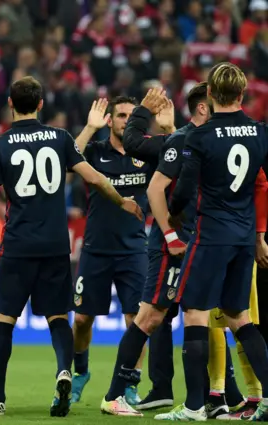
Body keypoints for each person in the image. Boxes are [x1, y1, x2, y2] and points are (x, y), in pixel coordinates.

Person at [0, 75, 143, 417]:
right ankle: (65, 371)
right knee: (57, 317)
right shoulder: (59, 138)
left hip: (18, 244)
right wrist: (122, 200)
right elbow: (94, 177)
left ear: (10, 103)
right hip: (55, 245)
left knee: (4, 320)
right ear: (40, 104)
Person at [160, 62, 268, 421]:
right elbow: (261, 184)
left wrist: (173, 216)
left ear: (209, 94)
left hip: (210, 236)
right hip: (243, 238)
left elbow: (185, 191)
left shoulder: (200, 136)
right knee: (239, 316)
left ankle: (193, 406)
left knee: (194, 312)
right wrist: (259, 234)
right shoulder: (259, 133)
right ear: (242, 94)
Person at [99, 83, 209, 416]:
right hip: (171, 243)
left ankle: (200, 402)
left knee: (198, 316)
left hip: (199, 239)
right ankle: (114, 395)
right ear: (204, 107)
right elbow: (135, 144)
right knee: (149, 317)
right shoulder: (181, 140)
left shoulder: (203, 140)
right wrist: (143, 112)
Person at [68, 95, 155, 405]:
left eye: (131, 116)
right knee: (81, 320)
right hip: (95, 249)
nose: (125, 121)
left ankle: (130, 383)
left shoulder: (147, 153)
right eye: (120, 115)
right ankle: (80, 372)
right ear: (110, 120)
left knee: (136, 320)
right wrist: (90, 129)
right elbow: (65, 166)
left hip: (134, 250)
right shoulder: (94, 152)